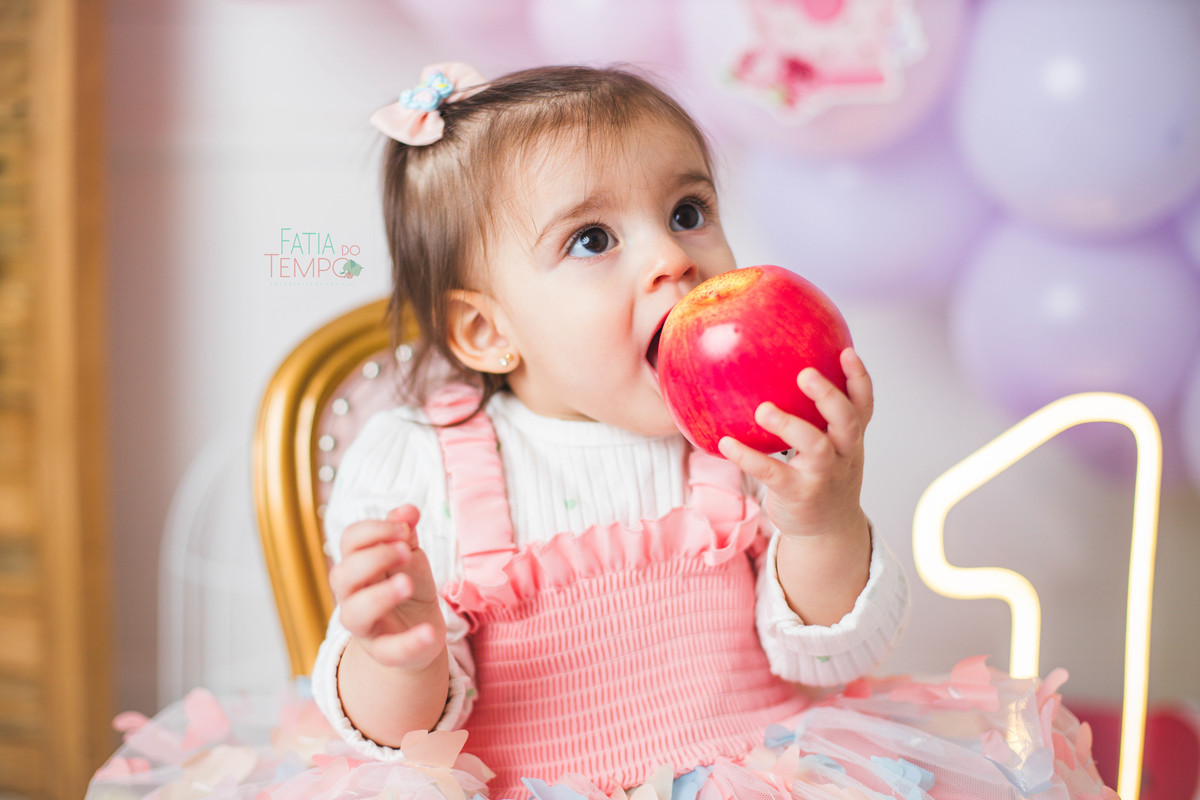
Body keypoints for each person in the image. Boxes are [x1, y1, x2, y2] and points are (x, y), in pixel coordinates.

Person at [86, 63, 1116, 800]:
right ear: (487, 330)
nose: (673, 261)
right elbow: (398, 735)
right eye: (592, 238)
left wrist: (822, 515)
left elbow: (826, 653)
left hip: (760, 764)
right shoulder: (420, 464)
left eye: (687, 209)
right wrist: (394, 645)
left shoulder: (745, 435)